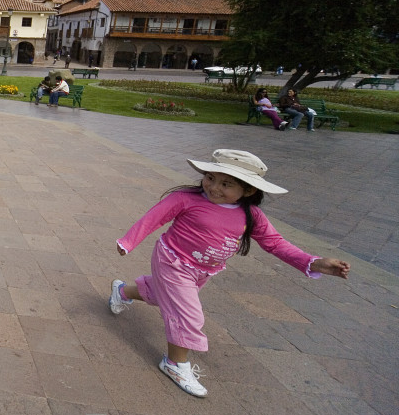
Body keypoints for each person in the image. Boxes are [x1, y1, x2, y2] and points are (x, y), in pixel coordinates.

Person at [109, 149, 350, 397]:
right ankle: (174, 364)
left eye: (226, 184)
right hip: (172, 261)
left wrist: (314, 262)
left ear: (248, 190)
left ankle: (122, 291)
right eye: (210, 178)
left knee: (162, 296)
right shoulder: (186, 199)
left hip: (203, 270)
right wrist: (128, 241)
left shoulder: (251, 215)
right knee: (188, 314)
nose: (214, 187)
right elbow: (154, 218)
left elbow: (275, 243)